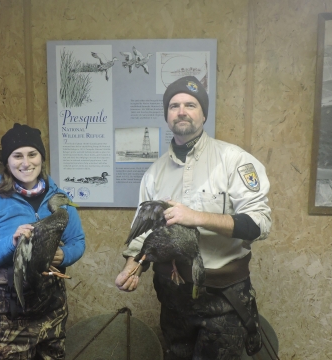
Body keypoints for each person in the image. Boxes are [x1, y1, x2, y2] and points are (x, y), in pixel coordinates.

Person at [115, 76, 272, 360]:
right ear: (167, 115)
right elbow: (141, 236)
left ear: (203, 114)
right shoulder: (154, 174)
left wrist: (196, 217)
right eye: (174, 105)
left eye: (191, 104)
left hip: (223, 299)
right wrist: (131, 268)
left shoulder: (234, 161)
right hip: (172, 301)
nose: (182, 111)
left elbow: (260, 224)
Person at [0, 123, 86, 359]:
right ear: (7, 162)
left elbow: (77, 241)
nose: (26, 163)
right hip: (5, 321)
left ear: (42, 158)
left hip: (51, 314)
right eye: (17, 155)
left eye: (32, 154)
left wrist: (65, 255)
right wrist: (11, 242)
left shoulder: (60, 199)